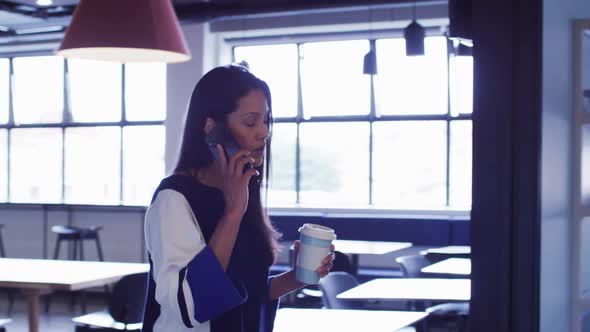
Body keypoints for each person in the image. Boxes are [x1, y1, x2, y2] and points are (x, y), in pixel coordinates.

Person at [142, 65, 335, 332]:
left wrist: (298, 277)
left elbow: (246, 293)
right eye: (250, 122)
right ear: (211, 128)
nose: (264, 133)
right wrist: (232, 214)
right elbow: (191, 305)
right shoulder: (173, 200)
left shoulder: (240, 191)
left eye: (266, 121)